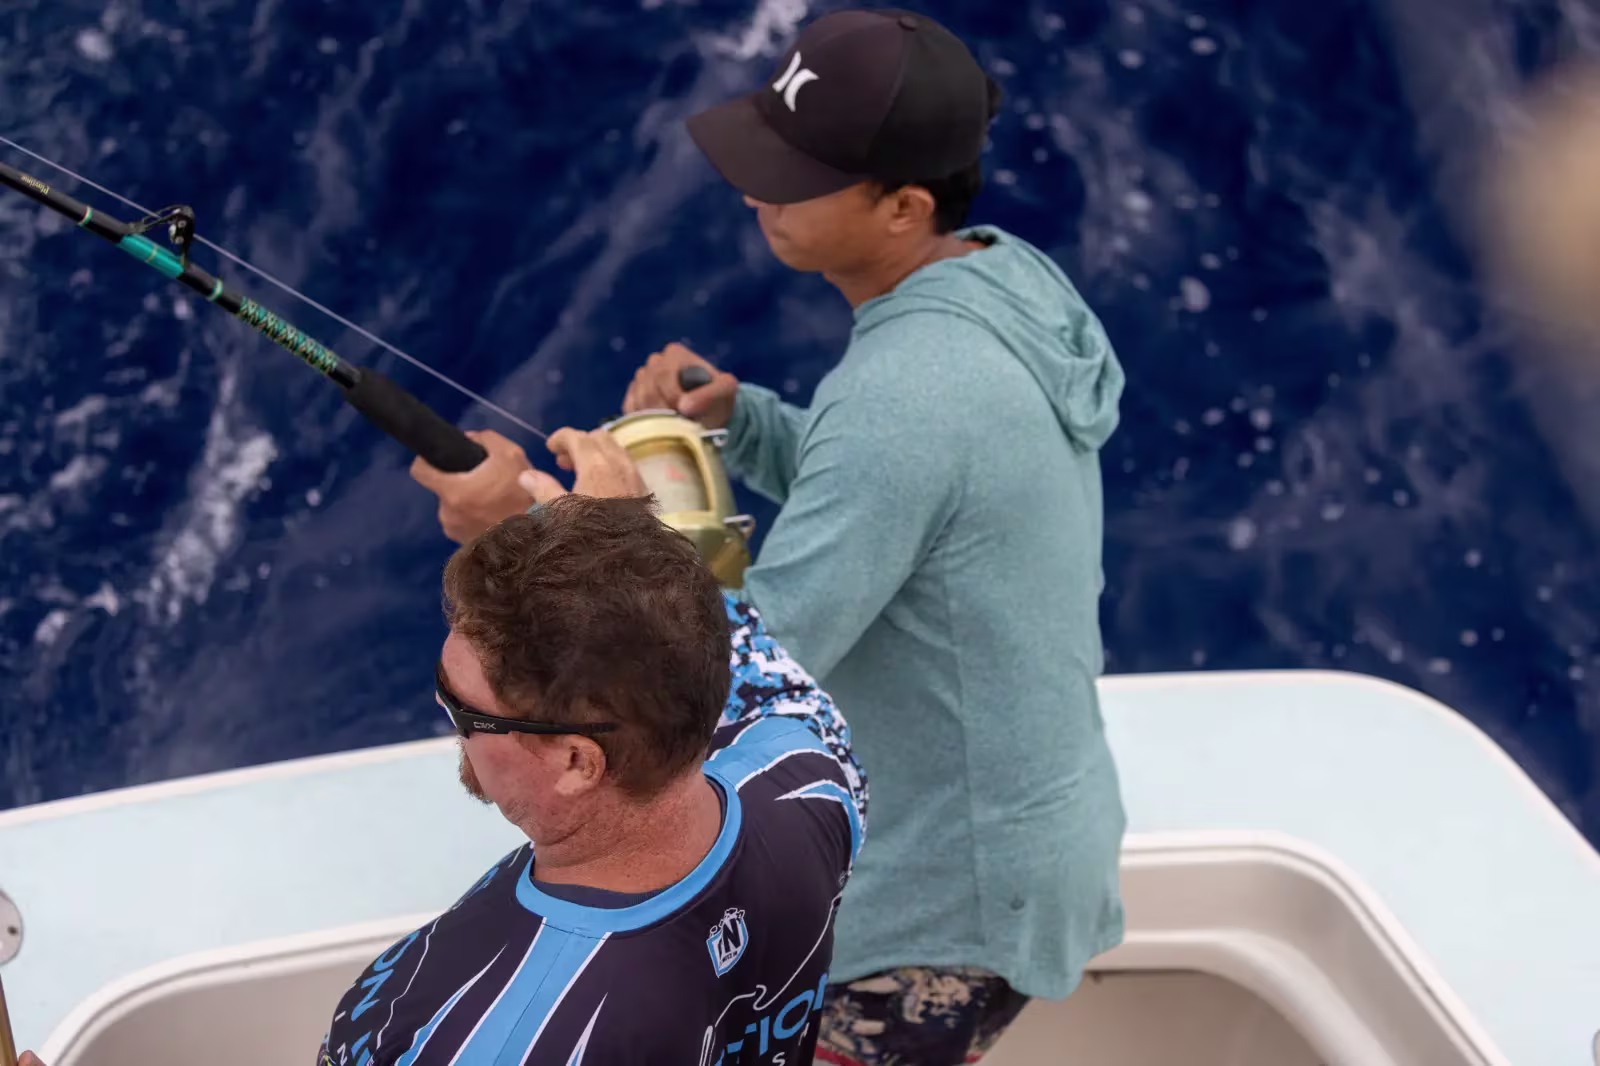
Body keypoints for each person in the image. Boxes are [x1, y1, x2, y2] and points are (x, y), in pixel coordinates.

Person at [412, 8, 1127, 1063]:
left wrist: (539, 521)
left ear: (903, 207)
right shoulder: (1001, 280)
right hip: (1029, 837)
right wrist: (747, 421)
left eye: (796, 174)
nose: (755, 191)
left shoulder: (904, 396)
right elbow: (917, 494)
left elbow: (733, 671)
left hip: (939, 914)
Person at [333, 432, 866, 1064]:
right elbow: (754, 671)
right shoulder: (807, 775)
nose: (450, 719)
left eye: (460, 705)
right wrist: (606, 545)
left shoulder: (510, 1041)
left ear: (577, 762)